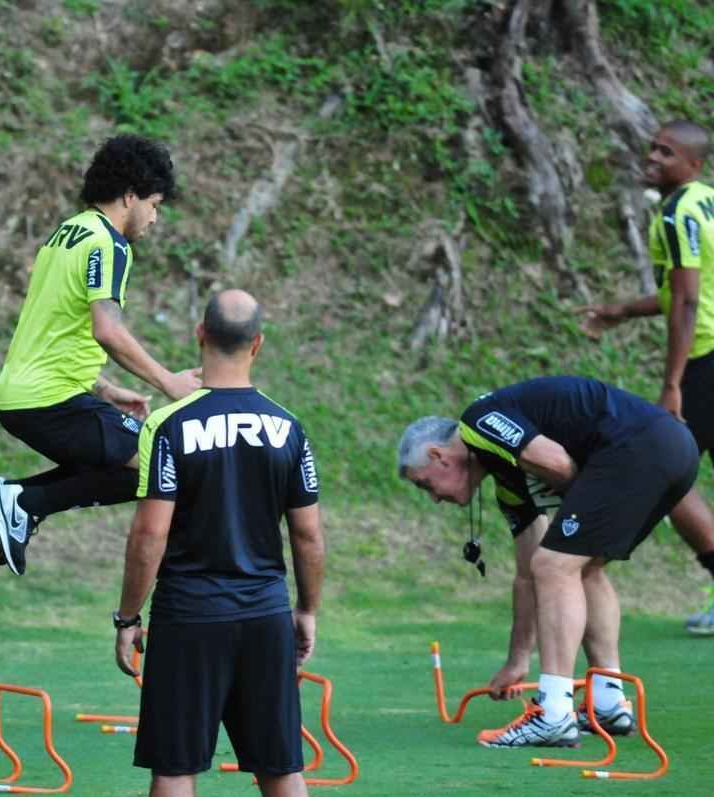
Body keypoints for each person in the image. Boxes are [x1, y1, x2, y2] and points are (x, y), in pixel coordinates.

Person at [398, 375, 698, 747]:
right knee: (578, 567)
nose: (433, 498)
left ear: (438, 456)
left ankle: (553, 714)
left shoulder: (478, 422)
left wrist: (586, 508)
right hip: (672, 452)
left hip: (640, 444)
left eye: (425, 484)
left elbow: (557, 463)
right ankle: (608, 703)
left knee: (555, 564)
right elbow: (526, 577)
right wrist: (517, 659)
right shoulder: (509, 480)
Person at [113, 290, 324, 797]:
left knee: (175, 768)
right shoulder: (288, 428)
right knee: (280, 768)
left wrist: (127, 617)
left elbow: (150, 533)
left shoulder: (168, 425)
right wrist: (307, 609)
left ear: (200, 334)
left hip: (188, 615)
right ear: (258, 345)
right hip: (265, 613)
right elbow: (308, 533)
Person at [0, 134, 201, 576]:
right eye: (153, 204)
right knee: (160, 466)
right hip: (47, 399)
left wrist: (105, 388)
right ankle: (20, 501)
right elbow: (107, 331)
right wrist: (168, 381)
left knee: (140, 466)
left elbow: (54, 329)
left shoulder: (67, 234)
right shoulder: (111, 246)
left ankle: (19, 501)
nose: (154, 217)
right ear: (129, 196)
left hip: (28, 396)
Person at [578, 119, 714, 634]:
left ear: (693, 164)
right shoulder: (706, 200)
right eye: (653, 148)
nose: (653, 157)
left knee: (667, 470)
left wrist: (673, 383)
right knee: (675, 475)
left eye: (667, 152)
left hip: (705, 361)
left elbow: (686, 299)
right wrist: (621, 310)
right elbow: (680, 292)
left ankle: (582, 569)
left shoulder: (678, 212)